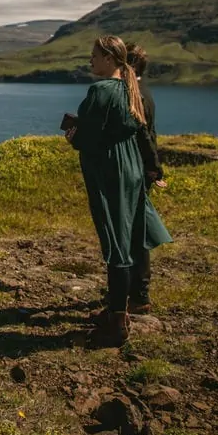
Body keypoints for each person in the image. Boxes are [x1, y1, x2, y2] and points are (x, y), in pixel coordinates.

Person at [64, 35, 172, 347]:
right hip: (131, 167)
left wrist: (74, 138)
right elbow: (137, 129)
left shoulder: (100, 90)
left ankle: (117, 321)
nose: (90, 62)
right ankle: (122, 306)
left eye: (94, 56)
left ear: (110, 59)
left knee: (115, 239)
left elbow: (90, 136)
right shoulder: (131, 88)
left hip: (109, 169)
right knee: (129, 234)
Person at [125, 42, 168, 314]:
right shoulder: (143, 91)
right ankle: (134, 291)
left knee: (135, 233)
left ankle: (139, 295)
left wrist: (153, 167)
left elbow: (143, 134)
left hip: (137, 170)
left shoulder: (135, 94)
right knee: (134, 231)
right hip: (142, 169)